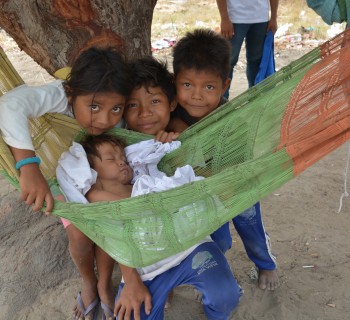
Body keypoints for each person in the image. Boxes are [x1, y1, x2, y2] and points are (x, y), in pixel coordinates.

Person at [0, 47, 132, 319]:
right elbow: (10, 104)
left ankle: (105, 282)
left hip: (100, 172)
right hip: (57, 172)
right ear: (71, 94)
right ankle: (89, 282)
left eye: (115, 108)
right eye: (94, 107)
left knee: (107, 225)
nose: (106, 119)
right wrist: (27, 165)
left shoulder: (115, 113)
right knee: (81, 236)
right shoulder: (60, 94)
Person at [70, 133, 242, 320]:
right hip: (148, 269)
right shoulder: (95, 196)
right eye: (111, 158)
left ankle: (215, 313)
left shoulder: (144, 182)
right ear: (91, 171)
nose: (121, 162)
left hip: (188, 248)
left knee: (226, 297)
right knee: (131, 315)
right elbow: (125, 212)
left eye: (124, 158)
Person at [168, 28, 279, 291]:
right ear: (175, 83)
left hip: (236, 185)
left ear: (225, 85)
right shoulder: (172, 116)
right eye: (187, 85)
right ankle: (215, 267)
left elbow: (244, 160)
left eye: (208, 87)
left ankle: (266, 263)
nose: (196, 95)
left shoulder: (232, 120)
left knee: (251, 226)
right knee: (217, 240)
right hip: (203, 193)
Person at [216, 0, 279, 97]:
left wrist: (274, 18)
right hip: (235, 18)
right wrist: (224, 19)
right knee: (228, 61)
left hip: (261, 18)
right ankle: (221, 100)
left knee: (256, 60)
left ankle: (255, 97)